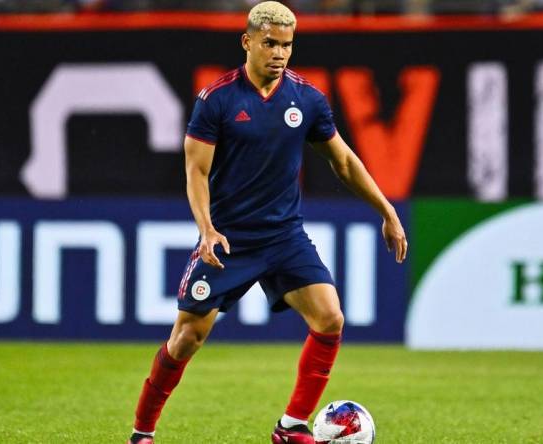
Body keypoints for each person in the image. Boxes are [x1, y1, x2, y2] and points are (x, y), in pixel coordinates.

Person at [127, 2, 407, 443]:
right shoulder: (216, 99)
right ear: (248, 42)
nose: (279, 53)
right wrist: (206, 229)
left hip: (284, 237)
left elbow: (344, 162)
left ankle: (292, 427)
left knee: (330, 318)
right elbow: (196, 171)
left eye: (287, 45)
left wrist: (386, 210)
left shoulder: (307, 100)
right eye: (271, 43)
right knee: (186, 339)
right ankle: (142, 432)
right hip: (230, 240)